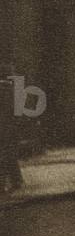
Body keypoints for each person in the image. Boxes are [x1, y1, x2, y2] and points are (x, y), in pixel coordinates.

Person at [0, 63, 24, 195]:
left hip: (3, 128)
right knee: (9, 154)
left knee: (3, 155)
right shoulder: (16, 90)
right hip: (12, 128)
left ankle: (2, 185)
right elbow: (20, 112)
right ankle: (17, 180)